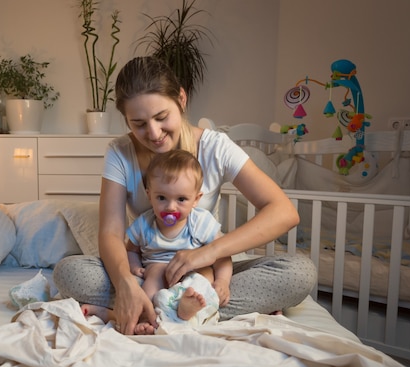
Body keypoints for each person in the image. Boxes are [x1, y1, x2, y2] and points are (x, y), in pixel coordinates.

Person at [54, 56, 316, 335]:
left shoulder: (215, 147)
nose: (153, 133)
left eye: (161, 117)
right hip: (149, 273)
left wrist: (206, 253)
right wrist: (126, 284)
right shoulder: (119, 153)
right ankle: (187, 310)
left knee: (299, 273)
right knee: (69, 272)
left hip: (203, 273)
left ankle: (159, 310)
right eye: (138, 123)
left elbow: (284, 211)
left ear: (181, 99)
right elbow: (110, 232)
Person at [82, 150, 231, 333]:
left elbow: (222, 255)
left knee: (205, 276)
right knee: (155, 275)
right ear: (149, 194)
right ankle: (146, 315)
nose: (170, 207)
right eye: (161, 198)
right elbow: (131, 250)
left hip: (193, 275)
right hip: (158, 272)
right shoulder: (144, 224)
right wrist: (134, 267)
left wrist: (222, 282)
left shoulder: (200, 222)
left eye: (181, 199)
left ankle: (186, 307)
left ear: (196, 199)